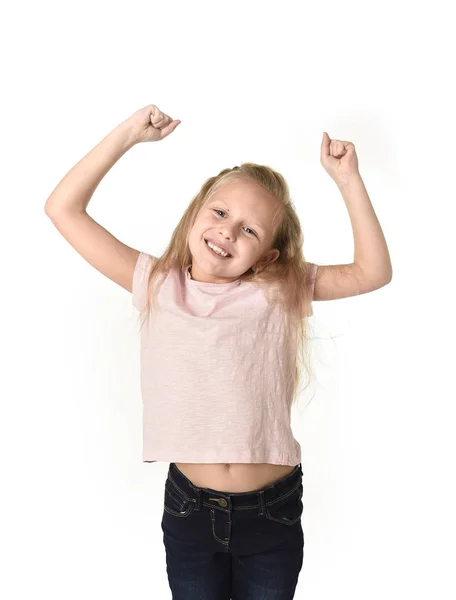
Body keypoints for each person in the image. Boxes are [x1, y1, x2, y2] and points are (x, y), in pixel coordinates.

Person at [44, 104, 393, 599]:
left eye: (250, 230)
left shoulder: (279, 288)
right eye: (221, 212)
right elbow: (62, 208)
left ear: (268, 256)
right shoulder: (156, 282)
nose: (228, 231)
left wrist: (347, 181)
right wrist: (127, 136)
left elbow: (372, 272)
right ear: (195, 215)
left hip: (272, 512)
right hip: (189, 511)